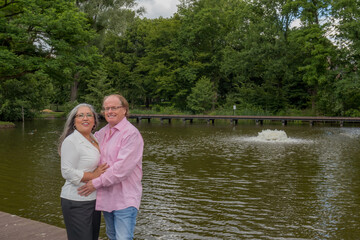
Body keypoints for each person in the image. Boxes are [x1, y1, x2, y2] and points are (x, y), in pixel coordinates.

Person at [78, 94, 144, 240]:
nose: (109, 111)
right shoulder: (102, 133)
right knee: (112, 236)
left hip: (124, 199)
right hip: (107, 197)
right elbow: (87, 151)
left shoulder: (131, 134)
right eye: (106, 108)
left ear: (125, 110)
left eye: (114, 107)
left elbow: (121, 170)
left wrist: (94, 183)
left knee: (123, 238)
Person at [58, 103, 108, 240]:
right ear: (74, 121)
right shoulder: (71, 141)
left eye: (89, 115)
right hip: (76, 200)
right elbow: (67, 172)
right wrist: (94, 175)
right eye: (80, 115)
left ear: (94, 120)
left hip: (93, 199)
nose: (85, 118)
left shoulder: (94, 139)